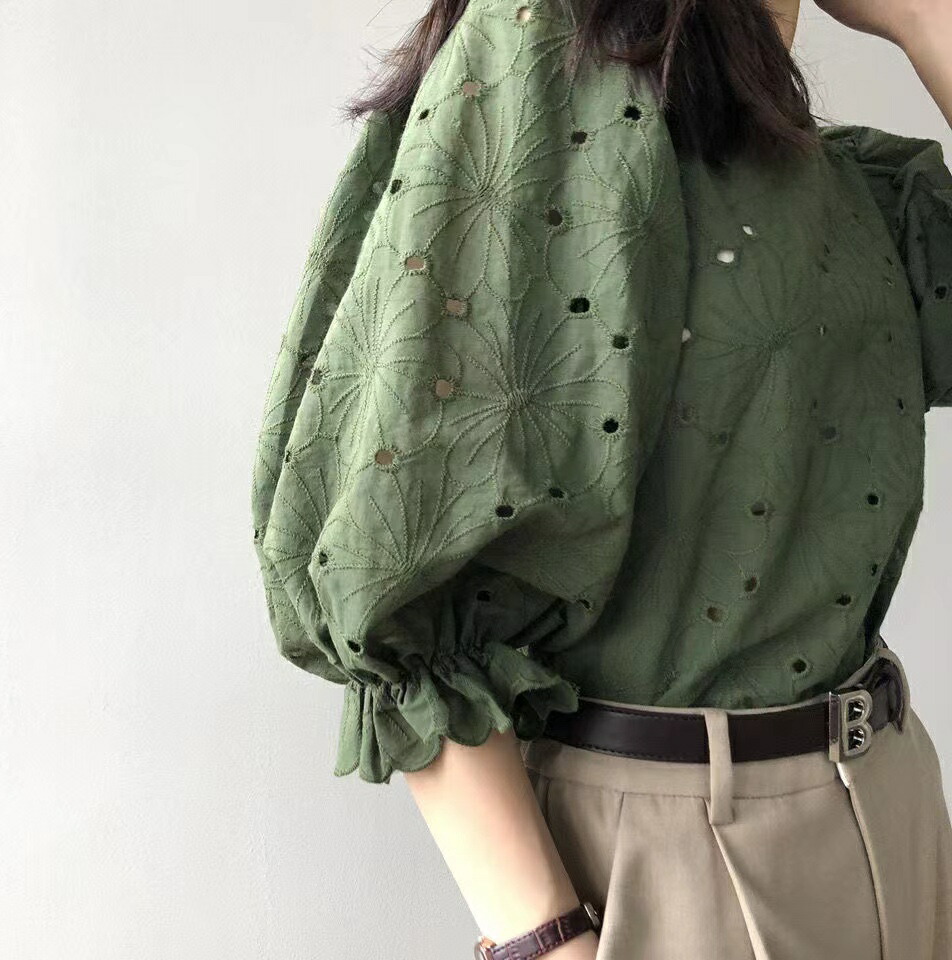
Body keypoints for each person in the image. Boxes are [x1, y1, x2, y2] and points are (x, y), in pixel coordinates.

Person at [250, 0, 952, 955]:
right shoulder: (546, 42)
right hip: (679, 853)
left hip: (893, 810)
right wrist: (548, 943)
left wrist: (926, 21)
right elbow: (400, 565)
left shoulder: (817, 171)